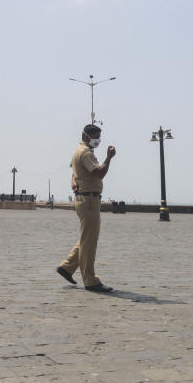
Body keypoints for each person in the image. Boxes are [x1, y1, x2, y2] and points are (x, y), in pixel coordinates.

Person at [56, 124, 116, 292]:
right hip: (88, 200)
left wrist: (74, 181)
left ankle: (67, 267)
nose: (98, 140)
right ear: (86, 136)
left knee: (86, 238)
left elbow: (75, 173)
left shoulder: (79, 151)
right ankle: (90, 280)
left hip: (86, 199)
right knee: (90, 241)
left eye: (99, 137)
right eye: (95, 136)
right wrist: (109, 157)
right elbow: (99, 173)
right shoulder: (85, 153)